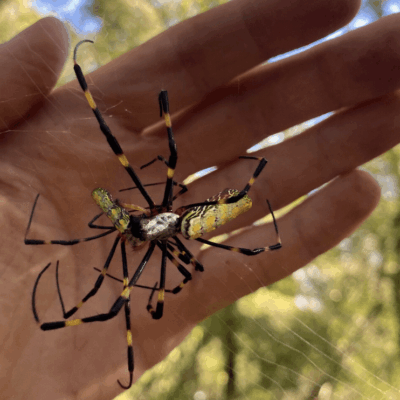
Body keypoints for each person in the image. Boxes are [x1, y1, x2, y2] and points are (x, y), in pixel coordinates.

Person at [2, 0, 400, 398]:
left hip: (181, 221)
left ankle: (101, 88)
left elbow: (163, 261)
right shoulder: (152, 230)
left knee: (146, 178)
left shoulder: (152, 229)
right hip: (178, 222)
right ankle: (112, 94)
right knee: (150, 186)